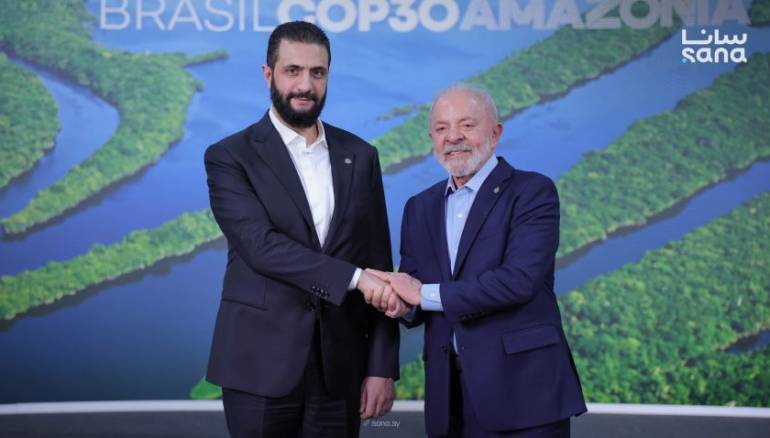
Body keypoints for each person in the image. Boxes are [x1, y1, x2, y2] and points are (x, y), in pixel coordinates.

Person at [203, 21, 403, 438]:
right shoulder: (229, 157)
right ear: (268, 74)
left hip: (340, 370)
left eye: (318, 72)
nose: (305, 85)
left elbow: (380, 263)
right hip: (258, 366)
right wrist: (354, 278)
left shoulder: (361, 155)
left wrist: (381, 366)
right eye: (292, 70)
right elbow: (261, 247)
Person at [369, 84, 587, 437]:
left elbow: (517, 282)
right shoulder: (418, 207)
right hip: (448, 397)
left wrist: (420, 294)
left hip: (523, 393)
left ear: (496, 133)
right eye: (441, 129)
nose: (453, 137)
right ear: (431, 138)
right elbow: (415, 293)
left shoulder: (532, 192)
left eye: (467, 125)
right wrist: (400, 305)